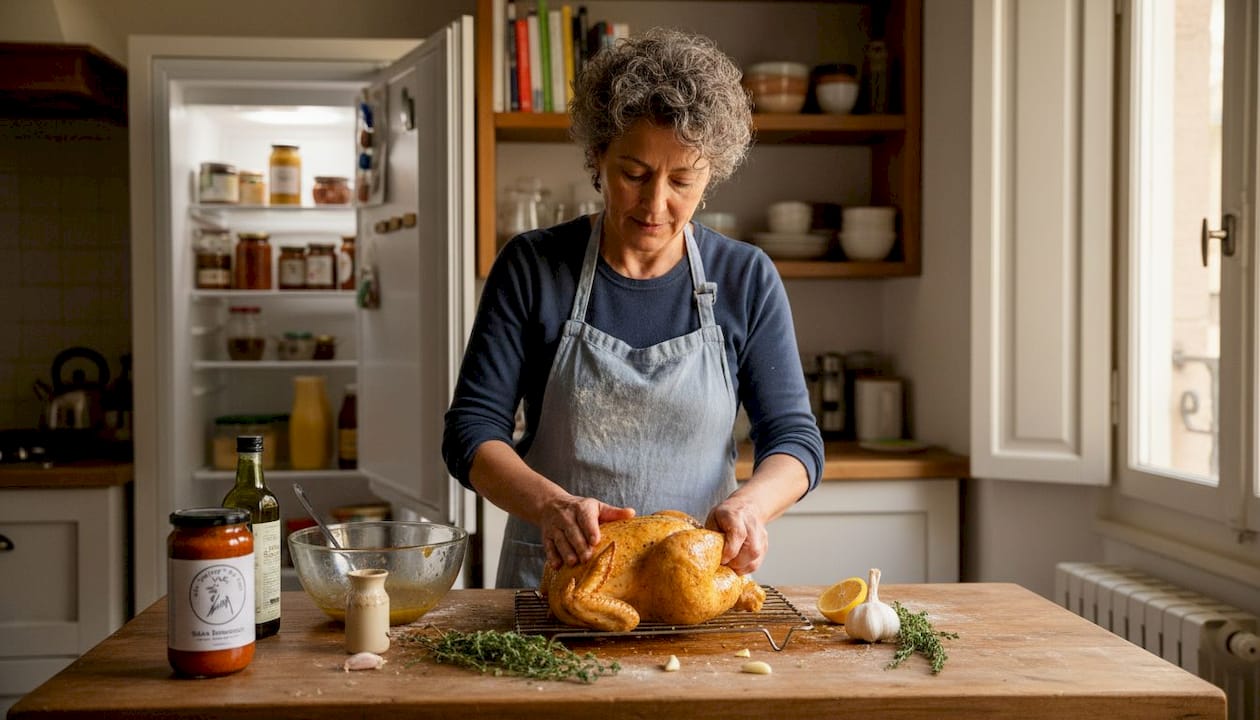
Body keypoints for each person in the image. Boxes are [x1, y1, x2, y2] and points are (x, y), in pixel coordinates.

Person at [442, 27, 824, 588]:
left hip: (692, 583)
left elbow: (794, 438)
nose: (655, 204)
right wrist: (551, 506)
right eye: (634, 174)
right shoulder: (533, 266)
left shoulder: (745, 278)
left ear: (710, 173)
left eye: (683, 180)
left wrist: (750, 506)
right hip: (555, 585)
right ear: (597, 156)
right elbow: (471, 431)